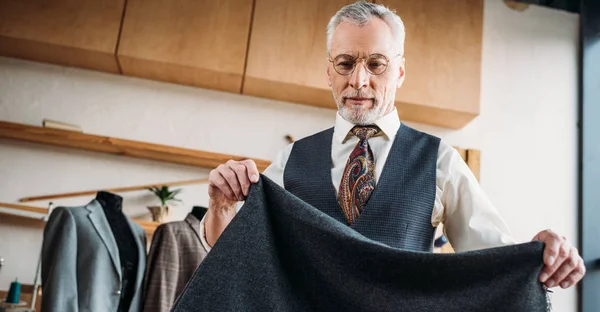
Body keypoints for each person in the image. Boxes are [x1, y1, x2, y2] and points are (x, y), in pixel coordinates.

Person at [202, 1, 585, 289]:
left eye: (376, 64)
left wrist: (541, 255)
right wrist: (220, 206)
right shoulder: (291, 160)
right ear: (328, 72)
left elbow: (498, 258)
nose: (359, 81)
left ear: (399, 72)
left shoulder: (439, 160)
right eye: (346, 63)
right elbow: (232, 257)